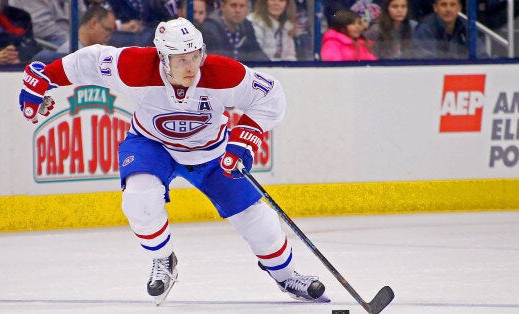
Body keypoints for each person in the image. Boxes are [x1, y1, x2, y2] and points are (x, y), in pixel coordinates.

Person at [18, 17, 329, 305]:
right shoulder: (134, 66)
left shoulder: (223, 73)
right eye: (181, 59)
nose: (191, 66)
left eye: (196, 56)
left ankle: (287, 277)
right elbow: (89, 61)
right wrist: (45, 79)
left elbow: (270, 96)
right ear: (162, 57)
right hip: (152, 144)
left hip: (211, 152)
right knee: (139, 199)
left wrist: (245, 137)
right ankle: (164, 260)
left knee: (257, 220)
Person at [413, 0, 487, 59]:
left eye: (452, 5)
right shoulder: (425, 28)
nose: (448, 9)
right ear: (435, 8)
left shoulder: (465, 27)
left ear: (459, 8)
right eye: (443, 5)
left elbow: (482, 55)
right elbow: (427, 62)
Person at [200, 0, 269, 61]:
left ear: (247, 8)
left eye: (242, 6)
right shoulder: (210, 27)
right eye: (233, 5)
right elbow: (216, 56)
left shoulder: (247, 25)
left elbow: (256, 52)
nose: (238, 10)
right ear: (222, 6)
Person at [8, 0, 88, 46]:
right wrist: (76, 42)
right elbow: (42, 28)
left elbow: (84, 20)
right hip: (42, 45)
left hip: (69, 40)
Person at [107, 0, 178, 47]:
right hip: (122, 35)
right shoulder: (113, 2)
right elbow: (103, 19)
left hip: (147, 33)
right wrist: (121, 26)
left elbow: (162, 18)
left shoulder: (150, 2)